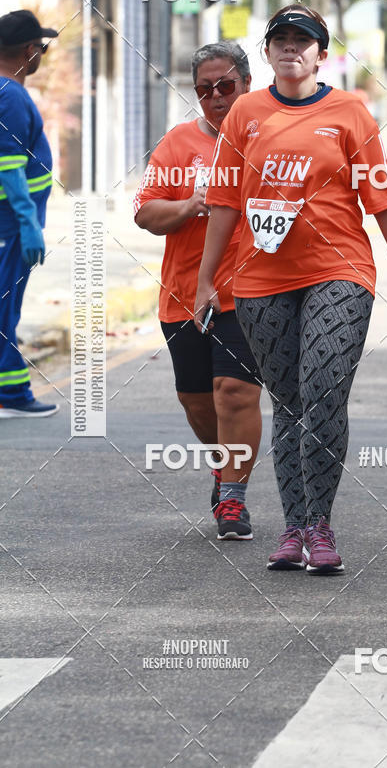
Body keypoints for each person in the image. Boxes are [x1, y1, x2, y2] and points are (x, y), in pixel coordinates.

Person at [194, 5, 387, 574]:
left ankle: (320, 525)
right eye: (282, 40)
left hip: (339, 269)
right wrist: (204, 279)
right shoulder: (245, 112)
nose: (292, 48)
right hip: (259, 277)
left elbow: (382, 198)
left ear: (322, 54)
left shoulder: (350, 110)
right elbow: (224, 203)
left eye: (305, 40)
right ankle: (293, 529)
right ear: (268, 52)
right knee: (290, 404)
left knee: (322, 391)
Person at [134, 42, 262, 541]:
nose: (216, 97)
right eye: (204, 89)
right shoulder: (177, 145)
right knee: (196, 400)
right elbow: (145, 214)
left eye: (226, 86)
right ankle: (222, 466)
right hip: (185, 294)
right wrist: (192, 203)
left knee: (232, 393)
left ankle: (233, 499)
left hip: (250, 292)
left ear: (247, 85)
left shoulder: (269, 141)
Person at [0, 9, 58, 418]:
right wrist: (26, 222)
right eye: (41, 46)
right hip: (10, 226)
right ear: (27, 50)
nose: (42, 53)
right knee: (4, 308)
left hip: (13, 225)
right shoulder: (11, 95)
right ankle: (14, 396)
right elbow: (8, 166)